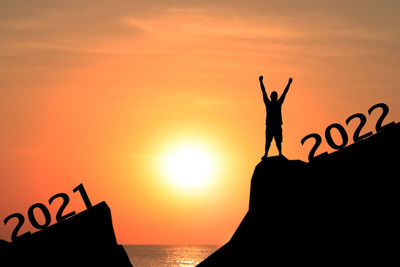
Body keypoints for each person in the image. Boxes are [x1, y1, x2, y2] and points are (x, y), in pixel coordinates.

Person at [259, 75, 293, 159]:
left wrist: (289, 83)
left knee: (278, 141)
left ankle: (280, 153)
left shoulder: (278, 103)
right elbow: (263, 91)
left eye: (275, 96)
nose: (274, 97)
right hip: (270, 126)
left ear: (276, 97)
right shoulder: (268, 103)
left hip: (277, 125)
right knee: (268, 141)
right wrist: (261, 82)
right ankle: (266, 154)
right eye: (273, 96)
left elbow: (285, 92)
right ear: (271, 97)